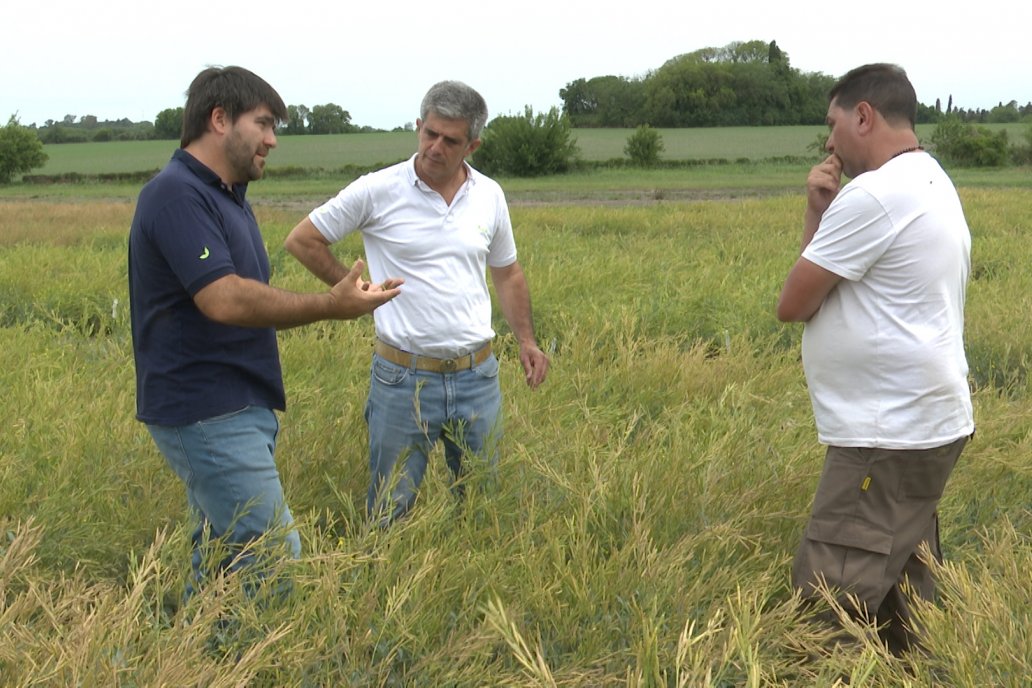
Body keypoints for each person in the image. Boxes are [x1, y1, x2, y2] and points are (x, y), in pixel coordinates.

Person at [128, 66, 401, 595]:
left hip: (234, 404)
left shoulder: (226, 196)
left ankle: (204, 660)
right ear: (219, 119)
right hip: (205, 409)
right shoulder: (176, 194)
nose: (273, 140)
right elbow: (224, 298)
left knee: (223, 553)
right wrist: (329, 304)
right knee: (275, 555)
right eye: (264, 124)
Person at [285, 80, 549, 526]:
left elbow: (507, 272)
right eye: (429, 133)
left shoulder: (490, 195)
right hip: (402, 378)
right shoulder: (378, 189)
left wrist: (527, 339)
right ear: (417, 127)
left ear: (473, 145)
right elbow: (303, 239)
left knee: (482, 505)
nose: (435, 147)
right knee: (391, 509)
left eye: (451, 140)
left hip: (477, 377)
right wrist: (356, 292)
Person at [776, 63, 974, 654]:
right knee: (902, 602)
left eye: (834, 124)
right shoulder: (930, 178)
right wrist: (820, 209)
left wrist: (819, 214)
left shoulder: (877, 194)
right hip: (922, 425)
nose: (830, 142)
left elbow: (793, 304)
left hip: (885, 434)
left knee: (829, 610)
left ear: (863, 115)